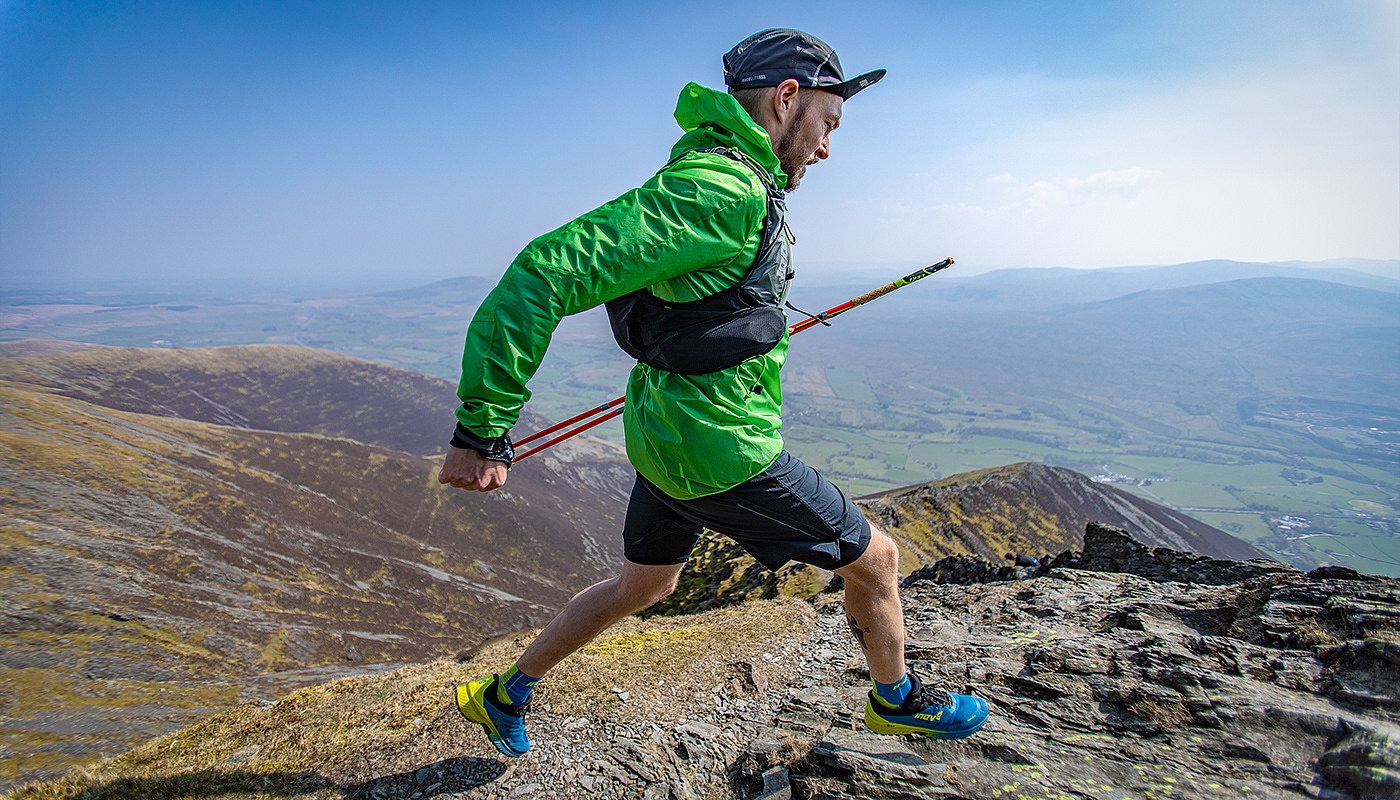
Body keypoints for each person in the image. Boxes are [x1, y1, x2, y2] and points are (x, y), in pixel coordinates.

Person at [438, 28, 989, 758]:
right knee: (878, 560)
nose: (827, 148)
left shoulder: (722, 175)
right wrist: (482, 428)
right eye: (828, 125)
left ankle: (503, 694)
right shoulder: (719, 189)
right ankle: (898, 702)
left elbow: (701, 304)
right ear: (787, 98)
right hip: (720, 451)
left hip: (665, 435)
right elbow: (543, 273)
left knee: (642, 588)